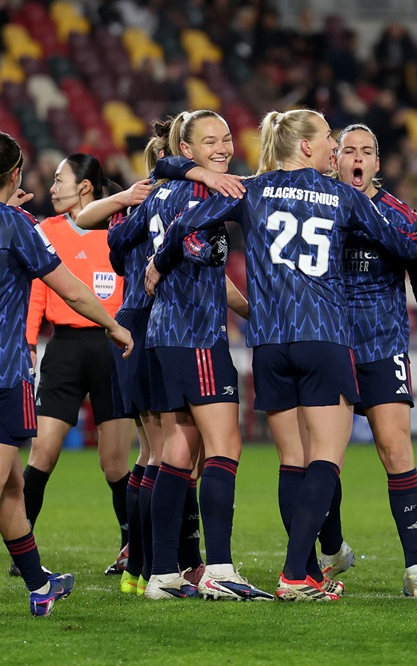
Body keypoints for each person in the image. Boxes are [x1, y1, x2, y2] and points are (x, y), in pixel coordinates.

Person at [147, 108, 417, 601]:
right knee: (326, 457)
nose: (333, 147)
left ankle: (304, 571)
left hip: (269, 343)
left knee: (290, 460)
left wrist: (158, 260)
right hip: (323, 337)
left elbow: (185, 221)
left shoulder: (250, 190)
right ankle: (295, 575)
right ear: (305, 146)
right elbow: (404, 242)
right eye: (328, 138)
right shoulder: (340, 195)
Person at [0, 130, 133, 625]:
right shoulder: (20, 225)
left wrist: (1, 206)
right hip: (0, 368)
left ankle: (40, 586)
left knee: (10, 487)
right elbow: (74, 291)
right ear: (16, 174)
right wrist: (113, 325)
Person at [128, 110, 270, 601]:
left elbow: (159, 179)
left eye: (227, 138)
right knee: (224, 446)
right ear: (186, 150)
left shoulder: (165, 188)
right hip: (196, 334)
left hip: (165, 333)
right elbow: (187, 241)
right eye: (210, 141)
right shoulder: (202, 193)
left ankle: (163, 573)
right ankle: (220, 568)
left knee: (178, 450)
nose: (224, 147)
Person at [317, 123, 417, 598]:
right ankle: (331, 547)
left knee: (396, 451)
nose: (357, 157)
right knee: (325, 458)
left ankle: (415, 568)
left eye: (366, 150)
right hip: (330, 344)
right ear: (334, 160)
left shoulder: (399, 215)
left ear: (377, 163)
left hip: (382, 345)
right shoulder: (319, 205)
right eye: (348, 150)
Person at [15, 153, 133, 579]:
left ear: (85, 186)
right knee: (43, 451)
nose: (53, 187)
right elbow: (36, 293)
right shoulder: (46, 230)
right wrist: (28, 341)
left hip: (111, 348)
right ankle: (22, 549)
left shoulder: (120, 231)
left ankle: (129, 546)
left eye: (60, 180)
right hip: (63, 350)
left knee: (115, 463)